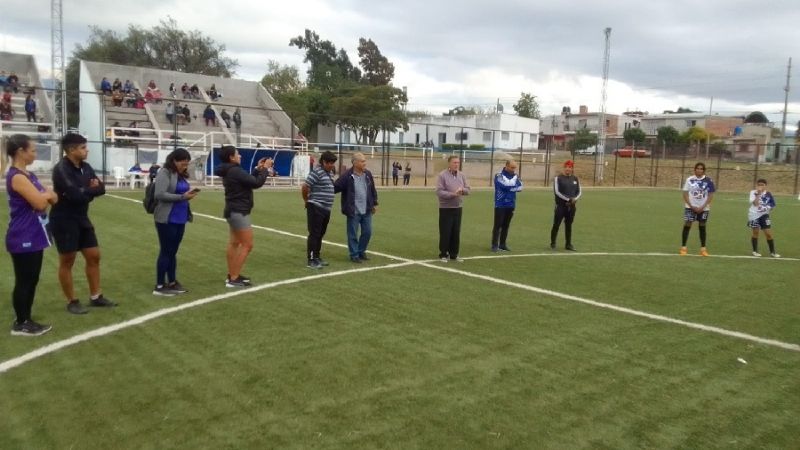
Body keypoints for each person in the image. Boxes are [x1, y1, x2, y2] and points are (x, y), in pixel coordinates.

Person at [49, 133, 117, 314]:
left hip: (82, 218)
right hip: (64, 219)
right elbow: (75, 194)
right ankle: (72, 301)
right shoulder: (61, 169)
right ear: (72, 149)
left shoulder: (86, 167)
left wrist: (86, 190)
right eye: (83, 147)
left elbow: (101, 189)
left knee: (94, 255)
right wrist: (89, 190)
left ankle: (96, 297)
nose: (87, 150)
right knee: (68, 260)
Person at [5, 134, 58, 335]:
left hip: (34, 232)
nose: (35, 153)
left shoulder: (29, 175)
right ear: (21, 152)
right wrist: (44, 196)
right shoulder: (17, 177)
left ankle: (26, 318)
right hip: (23, 234)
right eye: (33, 150)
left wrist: (44, 196)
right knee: (25, 279)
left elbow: (54, 198)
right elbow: (41, 202)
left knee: (32, 278)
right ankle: (21, 322)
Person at [214, 145, 270, 287]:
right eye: (238, 154)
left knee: (234, 243)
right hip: (239, 211)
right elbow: (256, 183)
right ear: (231, 157)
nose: (240, 156)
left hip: (232, 210)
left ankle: (232, 275)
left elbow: (248, 181)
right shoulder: (235, 171)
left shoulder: (230, 170)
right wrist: (266, 169)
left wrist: (258, 169)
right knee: (247, 245)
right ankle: (233, 278)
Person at [152, 148, 199, 295]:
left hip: (180, 217)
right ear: (174, 160)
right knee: (166, 251)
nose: (185, 166)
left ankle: (172, 282)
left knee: (173, 251)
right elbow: (159, 194)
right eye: (182, 163)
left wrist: (188, 195)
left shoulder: (179, 174)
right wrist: (182, 197)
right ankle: (160, 286)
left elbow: (181, 192)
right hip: (167, 218)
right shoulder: (165, 172)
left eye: (186, 164)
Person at [334, 153, 378, 263]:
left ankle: (361, 251)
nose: (365, 163)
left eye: (364, 161)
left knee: (367, 232)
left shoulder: (367, 174)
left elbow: (372, 189)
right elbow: (335, 187)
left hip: (366, 209)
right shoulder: (347, 176)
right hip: (353, 210)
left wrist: (374, 204)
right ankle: (354, 255)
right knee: (352, 234)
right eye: (362, 161)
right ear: (355, 162)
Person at [302, 151, 337, 269]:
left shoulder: (330, 172)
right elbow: (305, 186)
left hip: (326, 208)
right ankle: (311, 259)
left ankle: (317, 257)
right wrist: (306, 200)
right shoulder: (316, 172)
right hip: (316, 206)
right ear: (323, 162)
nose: (331, 165)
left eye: (333, 163)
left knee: (321, 234)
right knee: (314, 233)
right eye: (329, 163)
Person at [436, 155, 470, 262]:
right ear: (449, 163)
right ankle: (443, 254)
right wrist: (453, 194)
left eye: (458, 162)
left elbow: (468, 189)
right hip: (446, 208)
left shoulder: (462, 175)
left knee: (456, 231)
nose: (456, 164)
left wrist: (462, 191)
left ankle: (454, 254)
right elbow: (439, 192)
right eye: (454, 162)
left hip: (458, 207)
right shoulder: (442, 175)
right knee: (446, 232)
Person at [680, 162, 715, 256]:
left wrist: (703, 207)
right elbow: (685, 193)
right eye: (698, 168)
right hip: (690, 207)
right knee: (687, 224)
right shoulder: (689, 180)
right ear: (694, 169)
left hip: (704, 208)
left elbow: (711, 195)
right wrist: (691, 206)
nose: (699, 170)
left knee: (702, 226)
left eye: (701, 169)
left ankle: (703, 249)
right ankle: (683, 247)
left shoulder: (709, 181)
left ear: (704, 170)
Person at [492, 160, 523, 252]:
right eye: (512, 167)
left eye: (515, 168)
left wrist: (511, 188)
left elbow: (521, 187)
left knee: (506, 225)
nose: (513, 170)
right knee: (498, 225)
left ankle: (502, 244)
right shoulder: (499, 175)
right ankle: (494, 245)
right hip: (500, 204)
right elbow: (504, 186)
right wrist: (513, 187)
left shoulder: (516, 176)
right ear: (506, 166)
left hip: (511, 204)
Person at [550, 160, 581, 251]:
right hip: (561, 206)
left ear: (572, 168)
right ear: (564, 167)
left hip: (571, 207)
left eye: (570, 167)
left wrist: (575, 199)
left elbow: (579, 191)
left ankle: (568, 244)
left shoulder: (575, 179)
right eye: (567, 167)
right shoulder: (558, 178)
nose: (568, 169)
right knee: (556, 224)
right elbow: (557, 192)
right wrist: (568, 199)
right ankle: (553, 242)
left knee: (569, 225)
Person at [748, 179, 780, 258]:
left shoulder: (768, 194)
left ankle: (772, 252)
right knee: (756, 233)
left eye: (762, 185)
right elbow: (755, 203)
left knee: (768, 234)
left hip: (764, 215)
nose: (760, 186)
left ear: (765, 186)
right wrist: (758, 194)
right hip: (754, 214)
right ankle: (755, 251)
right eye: (759, 184)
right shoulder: (753, 192)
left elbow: (773, 204)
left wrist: (767, 208)